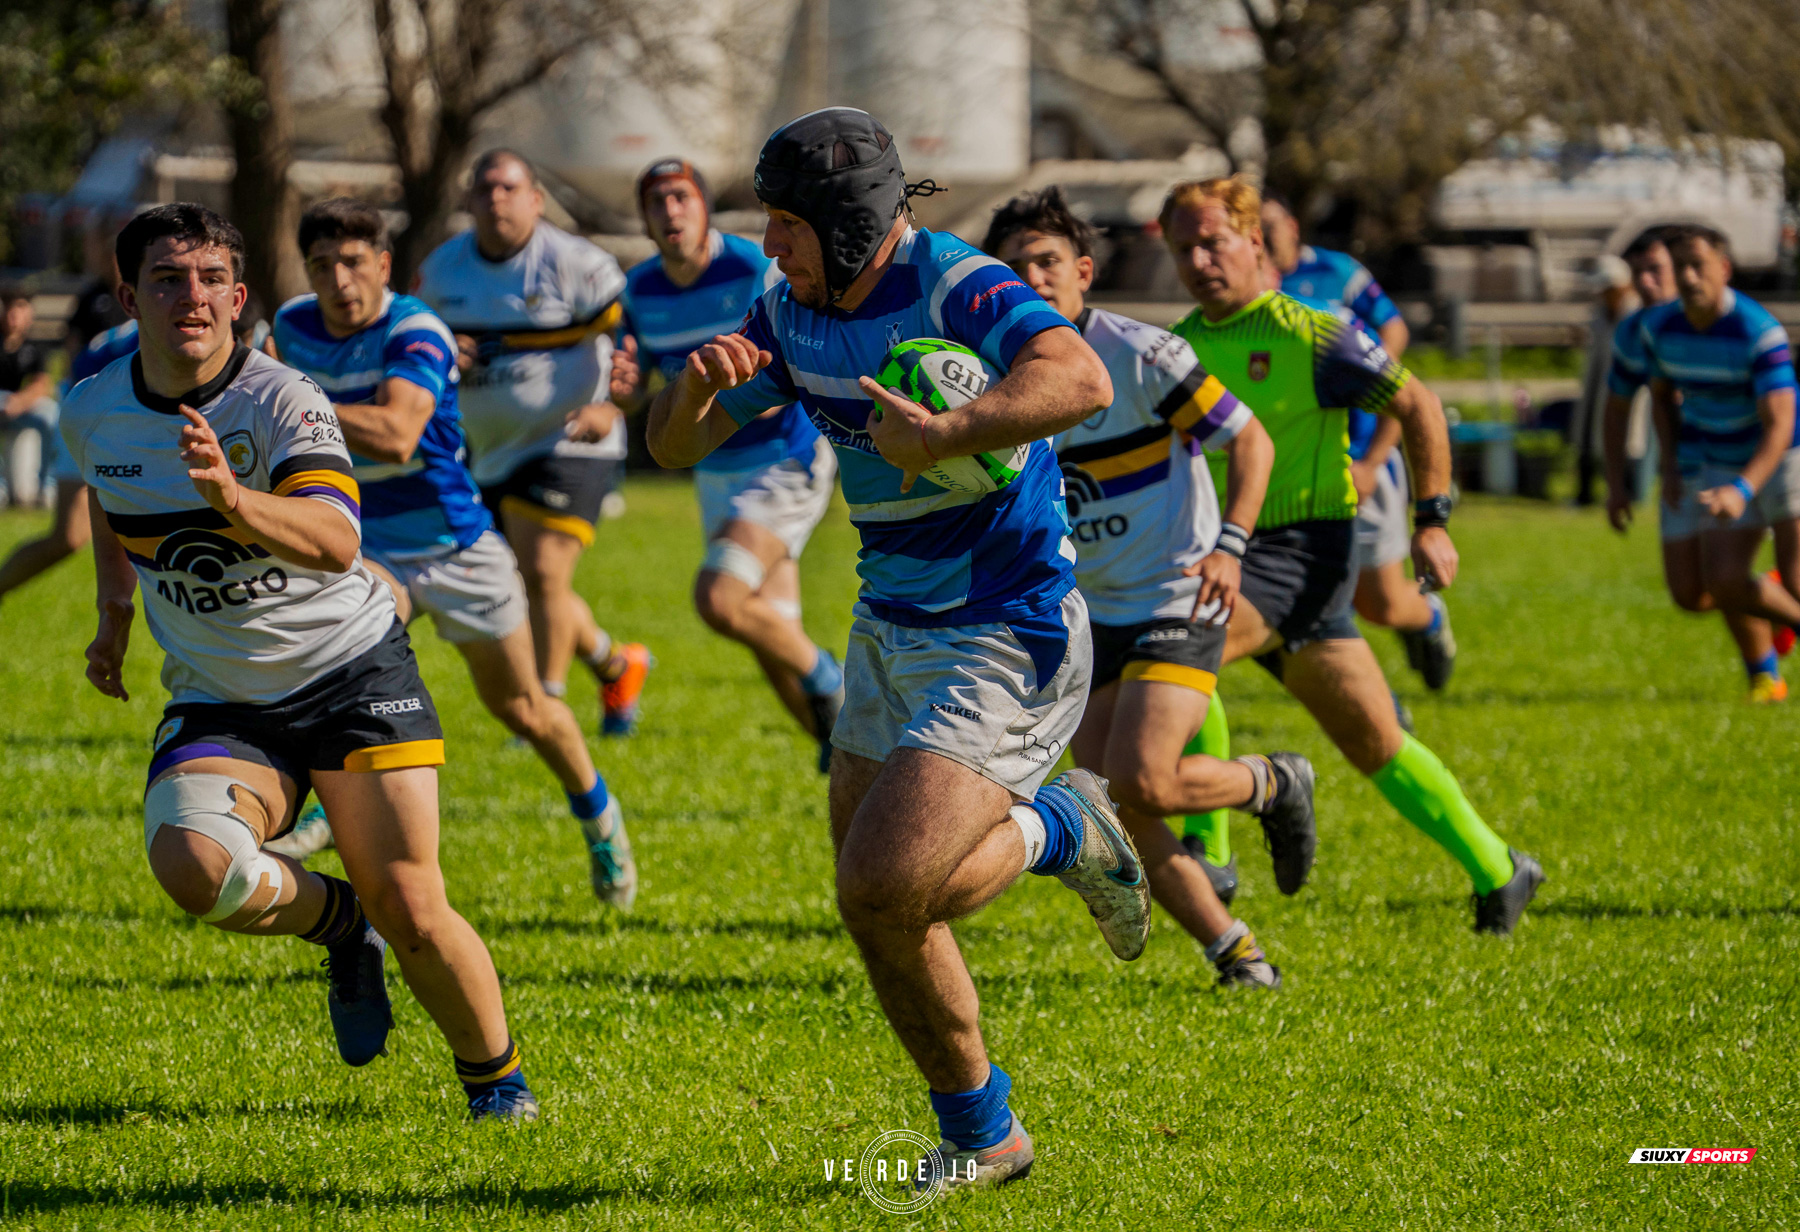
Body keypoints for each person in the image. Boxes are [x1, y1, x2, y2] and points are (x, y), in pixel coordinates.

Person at [647, 108, 1149, 1189]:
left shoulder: (954, 283)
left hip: (1006, 627)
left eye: (784, 225)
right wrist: (695, 388)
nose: (768, 247)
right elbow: (674, 444)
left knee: (884, 884)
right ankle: (985, 1135)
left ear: (848, 221)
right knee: (873, 901)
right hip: (888, 627)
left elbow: (1080, 378)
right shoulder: (784, 313)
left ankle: (1061, 822)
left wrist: (951, 434)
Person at [63, 203, 537, 1121]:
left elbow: (333, 536)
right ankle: (341, 926)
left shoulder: (283, 398)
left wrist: (233, 498)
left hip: (353, 671)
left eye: (209, 280)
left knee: (412, 902)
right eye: (166, 279)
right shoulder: (94, 408)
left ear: (239, 299)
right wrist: (112, 610)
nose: (189, 298)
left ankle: (497, 1085)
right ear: (129, 296)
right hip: (221, 696)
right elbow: (106, 493)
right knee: (194, 866)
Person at [1162, 177, 1545, 935]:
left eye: (1214, 242)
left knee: (1176, 644)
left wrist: (1432, 519)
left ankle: (1211, 850)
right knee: (1378, 743)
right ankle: (1500, 869)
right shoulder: (1175, 347)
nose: (1200, 260)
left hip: (1304, 556)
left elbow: (1418, 403)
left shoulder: (1312, 333)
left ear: (1256, 244)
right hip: (1231, 556)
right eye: (1184, 249)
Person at [983, 186, 1309, 988]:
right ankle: (1236, 954)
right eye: (1016, 265)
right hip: (1088, 613)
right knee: (1116, 804)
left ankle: (1273, 781)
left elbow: (1251, 441)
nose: (1034, 276)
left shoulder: (1143, 355)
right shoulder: (999, 375)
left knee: (1144, 778)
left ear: (1083, 271)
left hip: (1175, 593)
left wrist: (1230, 546)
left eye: (1048, 261)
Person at [269, 197, 635, 906]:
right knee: (337, 661)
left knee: (525, 709)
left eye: (351, 263)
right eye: (321, 267)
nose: (339, 281)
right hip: (371, 545)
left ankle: (599, 817)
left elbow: (399, 434)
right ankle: (321, 807)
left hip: (458, 547)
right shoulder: (291, 327)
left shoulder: (418, 330)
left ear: (382, 266)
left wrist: (298, 396)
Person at [617, 158, 844, 771]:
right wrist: (626, 388)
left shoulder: (750, 267)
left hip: (782, 462)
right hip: (713, 472)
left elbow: (780, 368)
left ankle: (833, 678)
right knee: (767, 632)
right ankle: (844, 752)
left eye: (681, 197)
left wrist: (719, 392)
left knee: (721, 600)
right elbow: (644, 389)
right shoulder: (638, 288)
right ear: (644, 218)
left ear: (703, 207)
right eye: (657, 201)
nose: (670, 211)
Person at [414, 149, 651, 734]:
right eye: (485, 188)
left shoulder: (576, 263)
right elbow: (410, 342)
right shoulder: (443, 272)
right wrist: (445, 353)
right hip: (486, 448)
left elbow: (636, 339)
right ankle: (616, 663)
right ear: (468, 201)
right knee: (524, 577)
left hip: (571, 436)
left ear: (535, 200)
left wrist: (610, 404)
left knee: (543, 570)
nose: (497, 198)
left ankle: (545, 705)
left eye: (510, 187)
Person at [1260, 192, 1454, 692]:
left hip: (1361, 456)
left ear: (1294, 226)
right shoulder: (1242, 299)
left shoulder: (1338, 275)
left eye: (1271, 225)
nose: (1264, 237)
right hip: (1289, 468)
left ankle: (1427, 619)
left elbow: (1395, 332)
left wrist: (1365, 389)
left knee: (1382, 604)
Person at [1603, 229, 1782, 703]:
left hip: (1754, 460)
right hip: (1694, 464)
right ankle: (1770, 603)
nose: (1651, 280)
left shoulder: (1745, 326)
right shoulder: (1642, 331)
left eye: (1658, 268)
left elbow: (1779, 419)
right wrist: (1622, 481)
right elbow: (1634, 403)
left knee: (1729, 580)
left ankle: (1765, 672)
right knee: (1691, 593)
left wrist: (1744, 486)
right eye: (1638, 271)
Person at [0, 313, 138, 611]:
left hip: (125, 432)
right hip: (96, 426)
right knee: (69, 537)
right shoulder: (123, 340)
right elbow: (77, 367)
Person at [2, 288, 58, 509]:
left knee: (50, 413)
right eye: (9, 308)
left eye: (20, 308)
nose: (13, 316)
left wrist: (18, 403)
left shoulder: (34, 347)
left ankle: (46, 485)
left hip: (17, 408)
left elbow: (42, 384)